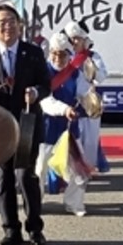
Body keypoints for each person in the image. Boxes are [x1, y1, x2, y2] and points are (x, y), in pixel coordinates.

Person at [0, 3, 52, 245]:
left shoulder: (33, 53)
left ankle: (35, 229)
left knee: (25, 176)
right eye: (2, 22)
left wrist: (35, 92)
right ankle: (11, 231)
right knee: (3, 179)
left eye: (12, 21)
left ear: (20, 25)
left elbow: (46, 84)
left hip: (27, 122)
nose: (8, 26)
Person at [36, 32, 92, 217]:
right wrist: (64, 109)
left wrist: (93, 103)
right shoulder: (42, 73)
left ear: (69, 55)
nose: (58, 58)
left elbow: (85, 94)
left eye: (62, 54)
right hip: (46, 130)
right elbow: (45, 101)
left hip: (69, 130)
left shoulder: (75, 73)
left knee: (80, 171)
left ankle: (73, 203)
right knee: (39, 170)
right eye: (54, 53)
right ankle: (35, 202)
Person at [62, 20, 109, 174]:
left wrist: (92, 69)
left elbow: (102, 76)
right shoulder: (65, 57)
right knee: (70, 140)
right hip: (70, 103)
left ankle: (88, 168)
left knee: (89, 141)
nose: (74, 42)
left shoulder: (93, 56)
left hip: (89, 103)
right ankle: (72, 170)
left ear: (83, 39)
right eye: (71, 39)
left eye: (77, 38)